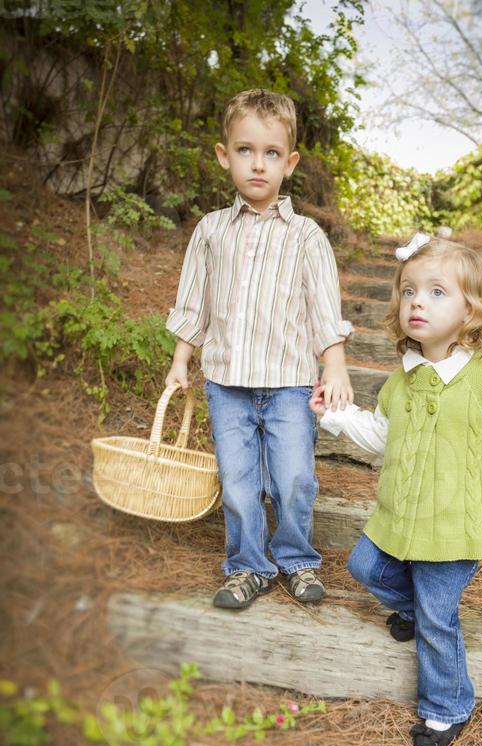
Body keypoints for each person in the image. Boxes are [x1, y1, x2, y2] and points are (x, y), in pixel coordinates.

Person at [310, 231, 482, 746]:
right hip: (400, 516)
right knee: (365, 567)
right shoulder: (401, 381)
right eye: (409, 291)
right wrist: (338, 417)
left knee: (441, 618)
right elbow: (380, 435)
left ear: (471, 310)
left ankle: (447, 706)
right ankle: (412, 609)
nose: (418, 302)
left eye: (437, 292)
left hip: (456, 528)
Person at [164, 89, 353, 610]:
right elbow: (194, 302)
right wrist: (182, 359)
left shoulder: (306, 236)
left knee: (294, 476)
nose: (257, 163)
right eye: (245, 150)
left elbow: (321, 305)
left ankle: (296, 559)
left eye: (271, 153)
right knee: (239, 481)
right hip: (227, 384)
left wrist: (333, 362)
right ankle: (247, 566)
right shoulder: (210, 231)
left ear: (289, 163)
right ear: (225, 155)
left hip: (290, 381)